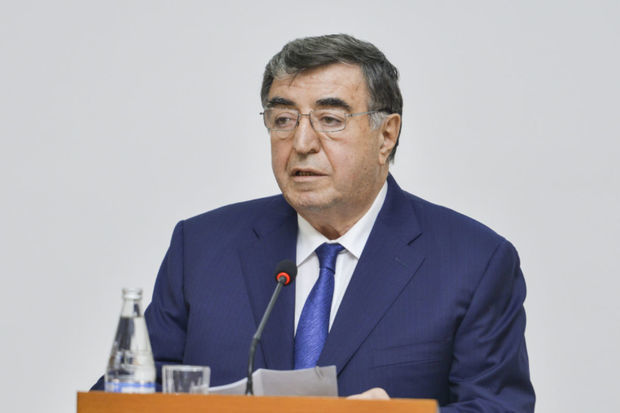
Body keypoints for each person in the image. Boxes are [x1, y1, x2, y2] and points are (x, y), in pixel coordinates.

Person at [93, 34, 535, 411]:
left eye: (330, 120)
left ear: (386, 135)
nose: (302, 142)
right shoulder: (202, 248)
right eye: (283, 119)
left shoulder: (473, 262)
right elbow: (122, 398)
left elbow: (499, 407)